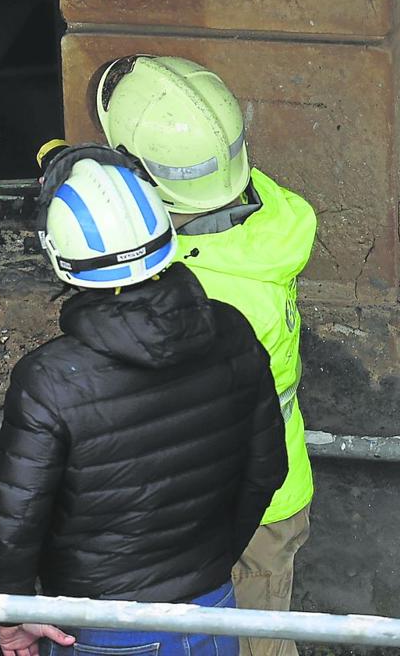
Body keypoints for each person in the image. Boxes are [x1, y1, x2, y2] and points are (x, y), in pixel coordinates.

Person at [0, 144, 287, 656]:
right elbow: (266, 469)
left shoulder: (50, 379)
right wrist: (208, 568)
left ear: (62, 260)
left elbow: (16, 520)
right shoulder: (233, 331)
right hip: (212, 608)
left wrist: (12, 614)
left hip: (102, 624)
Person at [94, 55, 317, 656]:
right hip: (270, 487)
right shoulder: (266, 217)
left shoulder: (204, 293)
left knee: (254, 647)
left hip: (243, 508)